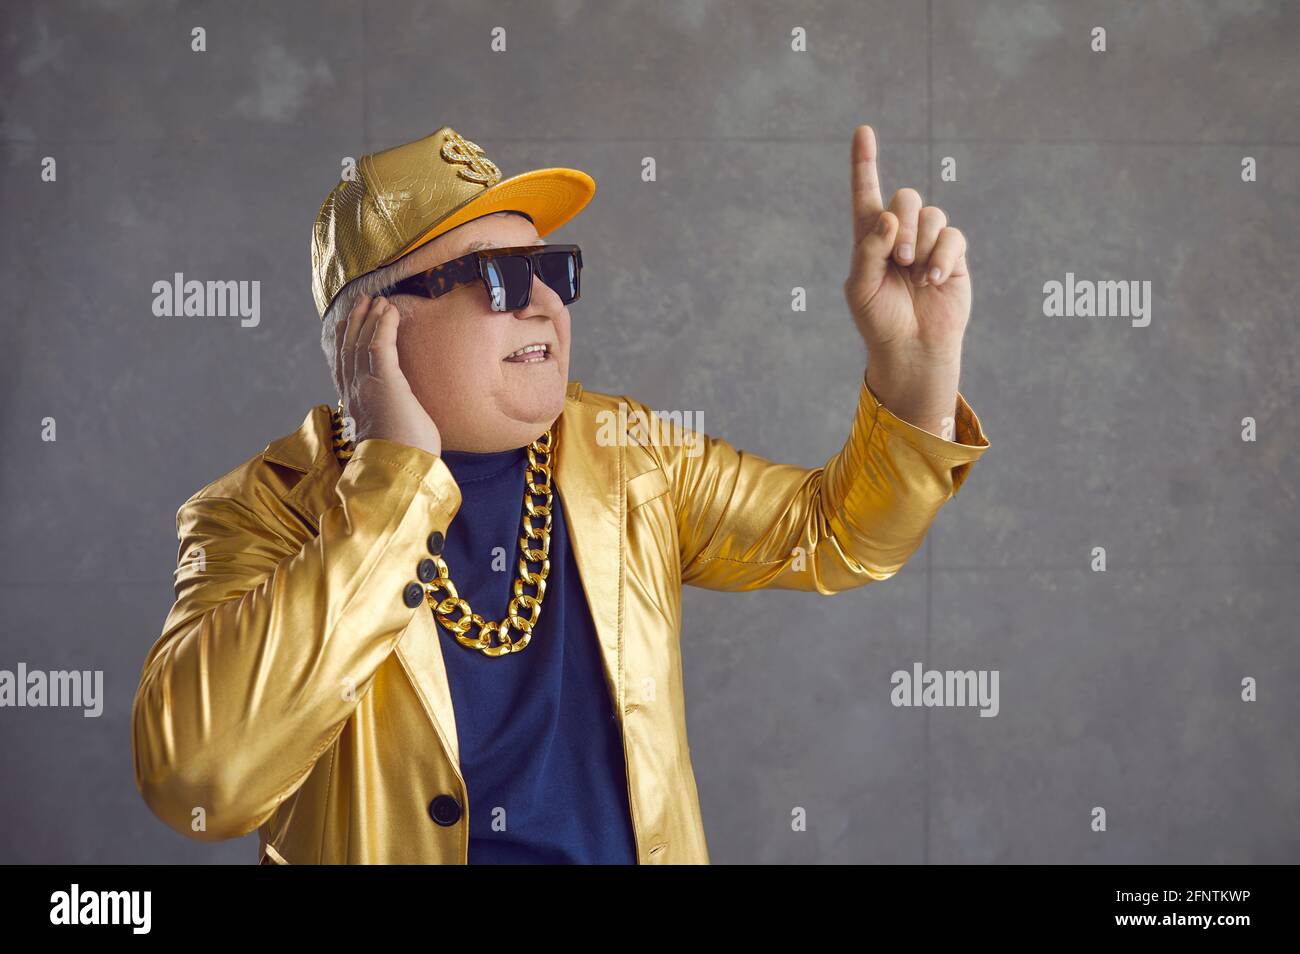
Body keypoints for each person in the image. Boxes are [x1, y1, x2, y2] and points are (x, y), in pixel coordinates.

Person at [131, 123, 991, 864]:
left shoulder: (627, 455)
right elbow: (199, 782)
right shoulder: (259, 510)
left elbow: (835, 535)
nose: (542, 301)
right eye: (497, 276)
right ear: (372, 331)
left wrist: (912, 375)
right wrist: (394, 480)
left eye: (550, 266)